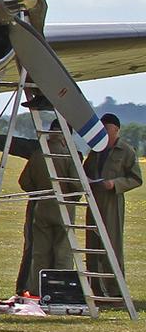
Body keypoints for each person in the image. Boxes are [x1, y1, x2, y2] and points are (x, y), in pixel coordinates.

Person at [18, 127, 79, 295]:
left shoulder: (38, 155)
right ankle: (61, 291)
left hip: (42, 207)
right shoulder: (68, 155)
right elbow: (77, 184)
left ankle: (37, 289)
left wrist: (38, 191)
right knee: (63, 252)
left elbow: (24, 181)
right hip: (63, 208)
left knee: (40, 252)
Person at [86, 112, 141, 277]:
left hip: (112, 203)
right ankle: (94, 288)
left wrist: (115, 184)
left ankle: (115, 290)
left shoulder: (126, 151)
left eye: (107, 129)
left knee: (112, 245)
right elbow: (86, 170)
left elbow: (136, 178)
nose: (104, 132)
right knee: (92, 245)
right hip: (94, 201)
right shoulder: (96, 150)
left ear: (116, 129)